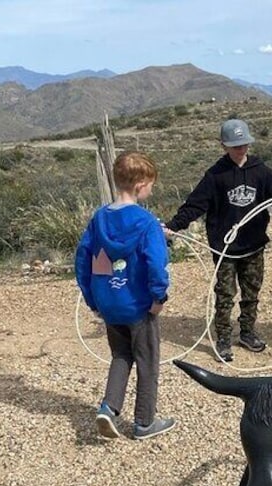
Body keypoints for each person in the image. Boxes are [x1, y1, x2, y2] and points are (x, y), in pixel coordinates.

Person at [163, 119, 272, 362]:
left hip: (253, 244)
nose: (241, 149)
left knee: (251, 291)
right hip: (225, 248)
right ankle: (223, 338)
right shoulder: (215, 175)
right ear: (224, 146)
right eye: (235, 146)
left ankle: (247, 332)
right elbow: (195, 205)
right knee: (224, 293)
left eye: (244, 144)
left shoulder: (261, 171)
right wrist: (173, 226)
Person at [75, 150, 176, 440]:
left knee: (121, 355)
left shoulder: (99, 219)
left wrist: (93, 299)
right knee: (147, 360)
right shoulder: (146, 223)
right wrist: (159, 298)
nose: (152, 189)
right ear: (141, 184)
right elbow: (156, 265)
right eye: (151, 184)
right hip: (138, 306)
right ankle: (144, 423)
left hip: (108, 304)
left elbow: (83, 260)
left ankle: (109, 408)